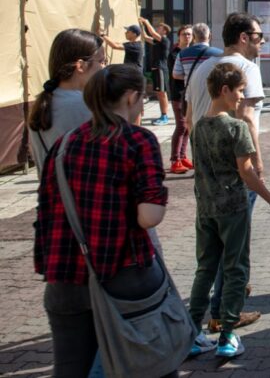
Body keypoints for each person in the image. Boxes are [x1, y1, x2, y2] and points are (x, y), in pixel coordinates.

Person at [34, 64, 173, 377]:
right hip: (123, 274)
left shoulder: (65, 144)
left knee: (71, 369)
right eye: (141, 98)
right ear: (130, 97)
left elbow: (45, 212)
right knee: (151, 362)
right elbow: (149, 216)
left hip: (65, 276)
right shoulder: (137, 140)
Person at [188, 62, 270, 360]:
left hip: (205, 207)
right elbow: (246, 173)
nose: (242, 97)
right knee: (235, 269)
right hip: (232, 207)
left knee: (205, 268)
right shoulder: (236, 127)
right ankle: (228, 334)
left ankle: (192, 330)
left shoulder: (198, 128)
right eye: (239, 91)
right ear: (224, 90)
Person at [185, 12, 266, 333]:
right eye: (258, 37)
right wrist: (257, 164)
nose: (261, 42)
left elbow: (189, 118)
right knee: (233, 246)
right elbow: (246, 117)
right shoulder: (246, 70)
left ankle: (213, 307)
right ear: (243, 38)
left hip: (205, 170)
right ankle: (222, 312)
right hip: (235, 169)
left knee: (212, 247)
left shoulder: (203, 68)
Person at [27, 29, 107, 178]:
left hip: (54, 198)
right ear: (81, 66)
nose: (104, 68)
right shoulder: (86, 106)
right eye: (101, 62)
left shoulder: (43, 103)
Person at [167, 24, 194, 174]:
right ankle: (174, 160)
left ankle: (182, 156)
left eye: (189, 34)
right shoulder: (174, 53)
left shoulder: (191, 52)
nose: (187, 37)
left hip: (189, 94)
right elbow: (175, 74)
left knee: (187, 127)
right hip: (178, 93)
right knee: (181, 125)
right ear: (179, 36)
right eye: (184, 34)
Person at [139, 17, 172, 125]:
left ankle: (164, 116)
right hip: (156, 70)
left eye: (160, 28)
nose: (157, 29)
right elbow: (145, 37)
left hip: (161, 69)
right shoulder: (157, 41)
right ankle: (163, 115)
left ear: (164, 31)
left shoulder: (165, 40)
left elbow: (152, 33)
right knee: (159, 93)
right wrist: (142, 27)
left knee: (162, 94)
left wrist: (146, 21)